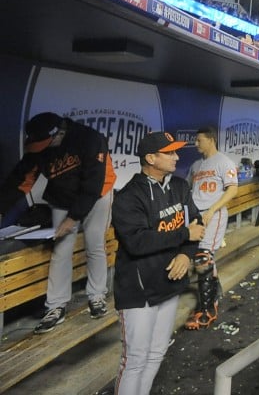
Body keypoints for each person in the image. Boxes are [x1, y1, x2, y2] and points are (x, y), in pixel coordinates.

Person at [0, 113, 116, 332]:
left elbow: (93, 184)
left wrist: (73, 218)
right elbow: (20, 178)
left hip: (99, 192)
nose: (43, 149)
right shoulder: (41, 147)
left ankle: (97, 295)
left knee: (94, 243)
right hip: (62, 196)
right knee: (61, 249)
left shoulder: (90, 139)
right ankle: (55, 306)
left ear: (59, 133)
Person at [111, 132, 205, 395]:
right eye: (170, 153)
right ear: (151, 158)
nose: (177, 157)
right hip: (139, 290)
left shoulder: (179, 186)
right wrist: (184, 234)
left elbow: (196, 224)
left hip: (170, 280)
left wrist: (186, 254)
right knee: (135, 360)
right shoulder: (129, 196)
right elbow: (137, 242)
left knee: (156, 354)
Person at [185, 126, 238, 330]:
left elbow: (232, 189)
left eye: (199, 140)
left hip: (213, 213)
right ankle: (214, 292)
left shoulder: (223, 162)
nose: (196, 143)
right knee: (202, 256)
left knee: (203, 257)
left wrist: (212, 210)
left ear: (211, 140)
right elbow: (189, 190)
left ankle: (207, 309)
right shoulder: (196, 165)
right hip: (196, 215)